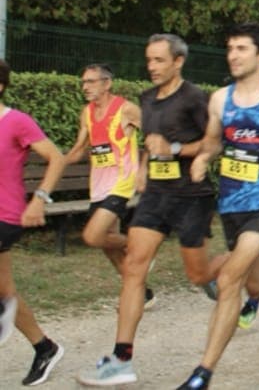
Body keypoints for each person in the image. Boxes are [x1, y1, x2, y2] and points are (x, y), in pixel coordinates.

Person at [79, 34, 224, 387]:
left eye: (159, 60)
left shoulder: (194, 97)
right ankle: (121, 360)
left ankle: (232, 269)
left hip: (191, 196)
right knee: (133, 269)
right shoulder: (146, 99)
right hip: (157, 195)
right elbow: (150, 142)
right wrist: (144, 167)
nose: (152, 67)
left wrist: (174, 149)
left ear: (178, 61)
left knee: (197, 273)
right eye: (149, 60)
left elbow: (214, 142)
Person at [174, 23, 259, 388]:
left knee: (230, 277)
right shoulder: (220, 99)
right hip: (233, 203)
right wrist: (204, 158)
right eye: (230, 48)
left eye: (241, 49)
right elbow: (213, 140)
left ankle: (202, 374)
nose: (233, 55)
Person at [0, 59, 68, 386]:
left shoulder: (17, 122)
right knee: (5, 290)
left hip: (6, 213)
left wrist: (40, 198)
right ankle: (45, 348)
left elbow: (56, 157)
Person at [63, 64, 145, 301]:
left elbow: (155, 136)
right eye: (83, 82)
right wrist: (57, 162)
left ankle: (142, 247)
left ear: (107, 83)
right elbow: (79, 148)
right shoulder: (87, 112)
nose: (85, 87)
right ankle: (143, 293)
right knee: (109, 247)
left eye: (91, 82)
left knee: (93, 236)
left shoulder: (127, 109)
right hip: (98, 186)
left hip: (122, 183)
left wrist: (145, 168)